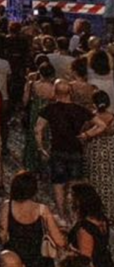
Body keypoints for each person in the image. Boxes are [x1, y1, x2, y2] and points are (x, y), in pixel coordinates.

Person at [0, 171, 67, 267]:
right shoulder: (42, 209)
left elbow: (3, 235)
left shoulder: (7, 206)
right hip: (39, 264)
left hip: (16, 262)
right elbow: (59, 241)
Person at [35, 80, 92, 219]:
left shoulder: (49, 109)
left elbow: (38, 129)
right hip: (76, 150)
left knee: (58, 184)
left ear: (55, 92)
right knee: (75, 185)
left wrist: (41, 147)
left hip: (57, 150)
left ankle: (62, 214)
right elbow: (100, 124)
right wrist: (87, 134)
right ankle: (76, 215)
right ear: (70, 92)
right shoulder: (80, 109)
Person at [79, 90, 114, 219]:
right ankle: (110, 213)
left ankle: (95, 212)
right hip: (110, 153)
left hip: (93, 153)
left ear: (94, 103)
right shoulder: (112, 117)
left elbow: (83, 134)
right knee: (110, 182)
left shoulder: (90, 118)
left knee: (94, 182)